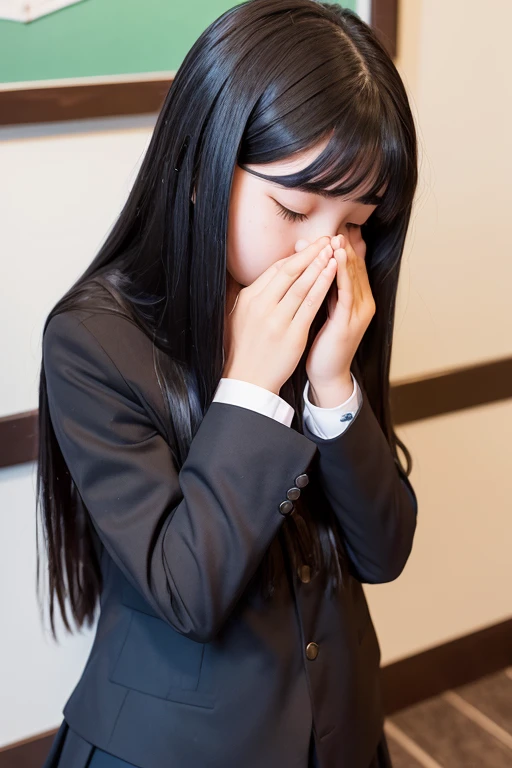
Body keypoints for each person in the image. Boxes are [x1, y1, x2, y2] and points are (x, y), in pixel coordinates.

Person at [36, 1, 419, 766]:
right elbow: (188, 594)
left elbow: (383, 552)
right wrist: (249, 389)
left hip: (341, 733)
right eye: (293, 206)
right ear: (199, 171)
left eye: (355, 220)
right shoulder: (92, 341)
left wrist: (334, 386)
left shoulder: (337, 316)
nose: (326, 252)